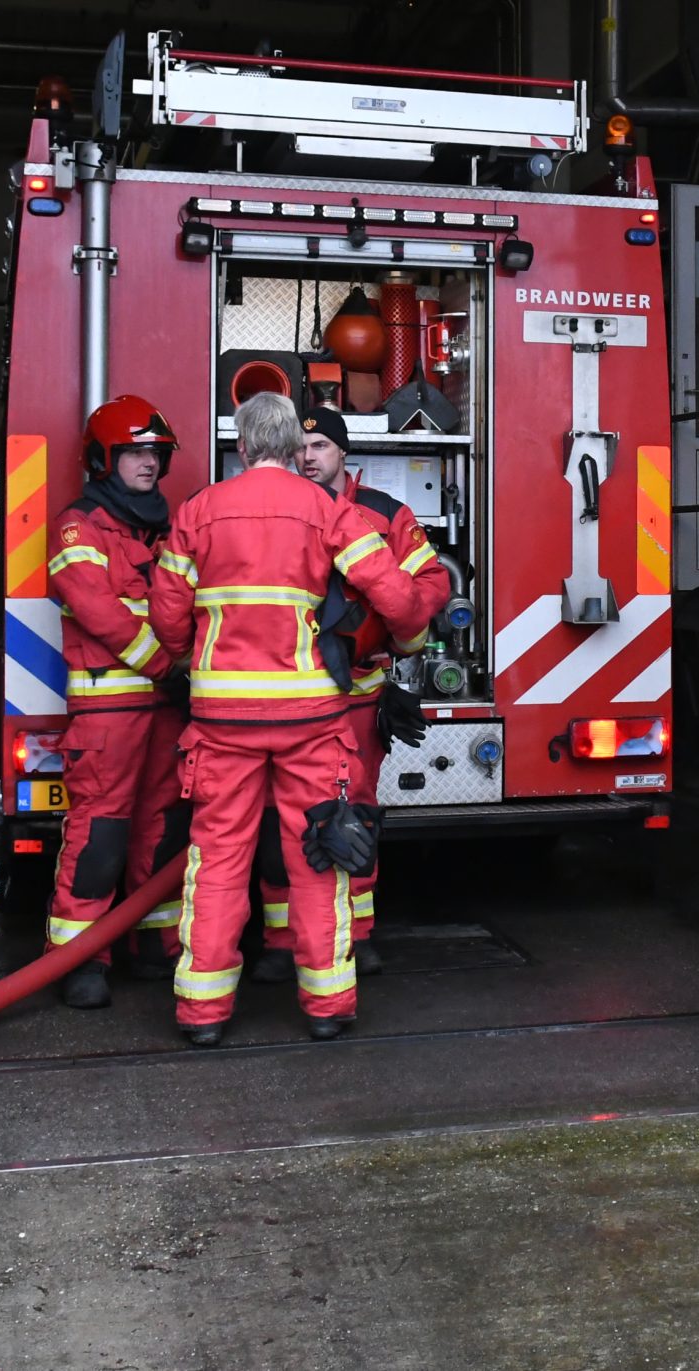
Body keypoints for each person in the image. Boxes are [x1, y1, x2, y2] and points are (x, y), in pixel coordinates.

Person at [146, 390, 441, 1046]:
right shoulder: (329, 509)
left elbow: (166, 614)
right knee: (318, 854)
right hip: (312, 718)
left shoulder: (198, 511)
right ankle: (328, 1005)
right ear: (289, 447)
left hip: (222, 719)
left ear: (244, 447)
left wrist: (188, 660)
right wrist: (408, 643)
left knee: (219, 855)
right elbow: (397, 595)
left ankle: (203, 1012)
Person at [247, 406, 450, 986]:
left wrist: (384, 633)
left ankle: (355, 937)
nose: (308, 457)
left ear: (343, 454)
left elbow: (431, 583)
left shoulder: (383, 514)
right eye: (300, 447)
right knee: (275, 823)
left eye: (320, 447)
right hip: (285, 698)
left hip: (355, 697)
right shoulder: (278, 508)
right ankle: (283, 941)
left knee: (353, 816)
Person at [43, 396, 190, 1007]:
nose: (148, 464)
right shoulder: (79, 527)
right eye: (134, 452)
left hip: (165, 711)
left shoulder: (166, 524)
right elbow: (100, 611)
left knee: (163, 828)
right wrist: (166, 666)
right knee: (101, 832)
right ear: (105, 459)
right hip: (109, 714)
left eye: (154, 453)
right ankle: (79, 961)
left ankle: (155, 945)